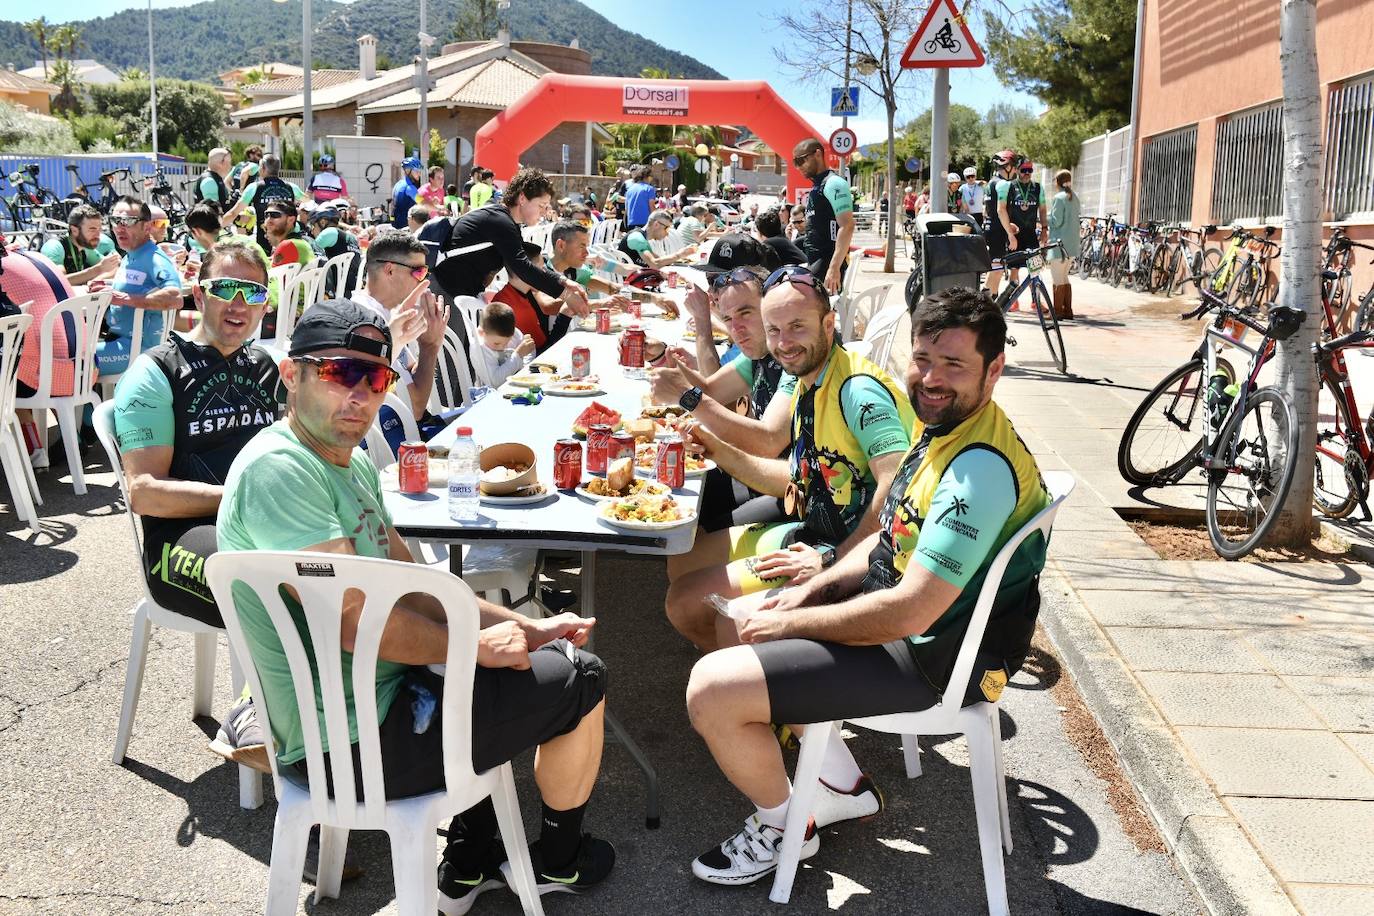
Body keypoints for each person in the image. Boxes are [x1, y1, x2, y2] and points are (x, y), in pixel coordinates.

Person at [216, 299, 615, 912]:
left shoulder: (342, 464)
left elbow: (422, 588)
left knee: (513, 658)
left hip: (380, 710)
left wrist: (527, 628)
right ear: (291, 376)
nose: (360, 394)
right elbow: (351, 621)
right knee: (581, 677)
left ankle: (471, 861)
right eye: (336, 373)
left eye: (374, 378)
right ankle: (558, 862)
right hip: (345, 746)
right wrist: (477, 647)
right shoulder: (282, 470)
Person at [685, 286, 1051, 886]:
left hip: (936, 659)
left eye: (954, 364)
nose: (932, 379)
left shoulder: (977, 468)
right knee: (747, 617)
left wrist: (790, 622)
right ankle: (837, 784)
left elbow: (911, 611)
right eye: (923, 359)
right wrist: (808, 592)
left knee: (711, 690)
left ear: (995, 369)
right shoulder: (946, 428)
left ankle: (786, 826)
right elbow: (889, 536)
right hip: (911, 626)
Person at [665, 267, 915, 651]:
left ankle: (753, 681)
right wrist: (716, 449)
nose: (784, 343)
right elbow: (794, 480)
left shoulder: (857, 391)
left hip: (851, 554)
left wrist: (833, 561)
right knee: (682, 577)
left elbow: (898, 488)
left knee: (724, 621)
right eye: (775, 330)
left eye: (797, 326)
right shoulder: (804, 379)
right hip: (812, 532)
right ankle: (739, 674)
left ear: (828, 324)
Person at [112, 238, 281, 636]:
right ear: (200, 295)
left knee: (346, 574)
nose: (238, 304)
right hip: (179, 539)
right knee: (269, 593)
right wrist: (241, 499)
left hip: (260, 522)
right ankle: (261, 697)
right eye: (225, 288)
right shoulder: (155, 371)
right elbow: (144, 493)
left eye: (252, 292)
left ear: (264, 305)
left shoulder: (265, 366)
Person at [427, 168, 591, 316]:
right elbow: (522, 268)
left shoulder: (508, 223)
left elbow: (526, 264)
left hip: (460, 293)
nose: (544, 212)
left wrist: (564, 281)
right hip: (445, 290)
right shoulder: (499, 221)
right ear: (522, 198)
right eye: (541, 205)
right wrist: (566, 295)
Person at [352, 231, 448, 430]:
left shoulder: (385, 313)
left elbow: (411, 369)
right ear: (390, 270)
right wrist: (430, 346)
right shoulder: (370, 326)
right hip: (392, 446)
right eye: (418, 272)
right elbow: (415, 408)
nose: (422, 281)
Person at [2, 244, 76, 464]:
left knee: (8, 375)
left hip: (44, 377)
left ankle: (32, 448)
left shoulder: (4, 270)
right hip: (84, 368)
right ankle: (75, 435)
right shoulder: (34, 256)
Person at [95, 196, 183, 378]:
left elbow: (175, 297)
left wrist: (123, 299)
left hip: (139, 350)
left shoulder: (154, 258)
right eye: (115, 221)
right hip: (118, 342)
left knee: (75, 363)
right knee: (66, 357)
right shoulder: (130, 256)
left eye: (127, 221)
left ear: (146, 227)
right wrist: (105, 286)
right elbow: (136, 286)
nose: (119, 227)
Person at [492, 241, 571, 355]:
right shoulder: (513, 308)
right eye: (541, 269)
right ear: (527, 272)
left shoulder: (523, 293)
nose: (546, 274)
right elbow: (543, 354)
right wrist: (565, 316)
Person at [234, 154, 306, 258]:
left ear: (263, 167)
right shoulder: (291, 187)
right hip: (290, 236)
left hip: (264, 237)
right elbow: (308, 202)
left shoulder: (254, 187)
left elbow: (234, 212)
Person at [40, 204, 119, 286]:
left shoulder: (86, 247)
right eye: (92, 230)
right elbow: (59, 282)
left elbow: (112, 269)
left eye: (99, 229)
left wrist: (95, 280)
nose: (98, 234)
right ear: (74, 230)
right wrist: (98, 270)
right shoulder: (54, 246)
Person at [983, 150, 1021, 300]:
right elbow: (1000, 209)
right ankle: (982, 305)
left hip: (991, 229)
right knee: (995, 270)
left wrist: (1008, 225)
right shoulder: (1003, 184)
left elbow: (990, 210)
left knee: (996, 271)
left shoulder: (991, 183)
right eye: (1015, 166)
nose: (1017, 170)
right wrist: (1011, 235)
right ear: (1008, 167)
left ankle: (992, 304)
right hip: (997, 233)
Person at [474, 299, 536, 387]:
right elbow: (495, 382)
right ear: (481, 333)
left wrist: (525, 367)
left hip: (518, 383)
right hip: (493, 393)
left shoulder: (513, 333)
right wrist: (518, 355)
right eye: (496, 343)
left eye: (507, 342)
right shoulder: (481, 348)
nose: (502, 347)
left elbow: (529, 349)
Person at [1046, 169, 1080, 320]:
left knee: (1057, 277)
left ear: (1057, 182)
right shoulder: (1075, 197)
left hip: (1059, 244)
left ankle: (1057, 311)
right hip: (1072, 244)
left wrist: (1045, 218)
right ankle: (1068, 310)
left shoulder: (1059, 198)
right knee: (1064, 276)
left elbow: (1056, 221)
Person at [308, 205, 363, 299]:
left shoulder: (329, 232)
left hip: (335, 291)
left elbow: (309, 251)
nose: (312, 231)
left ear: (322, 222)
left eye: (313, 226)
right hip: (352, 289)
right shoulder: (350, 237)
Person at [618, 211, 693, 270]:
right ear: (656, 224)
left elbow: (659, 260)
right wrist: (679, 255)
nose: (667, 234)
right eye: (666, 228)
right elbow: (654, 264)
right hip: (628, 283)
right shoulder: (636, 238)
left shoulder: (644, 239)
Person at [193, 148, 236, 223]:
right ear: (221, 163)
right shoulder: (210, 181)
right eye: (229, 162)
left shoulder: (215, 178)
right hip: (210, 230)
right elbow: (213, 213)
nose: (230, 166)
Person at [392, 156, 425, 230]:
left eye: (420, 171)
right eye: (417, 171)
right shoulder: (409, 188)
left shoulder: (398, 184)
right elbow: (423, 203)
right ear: (408, 171)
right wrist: (438, 208)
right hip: (405, 227)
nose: (419, 174)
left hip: (396, 224)